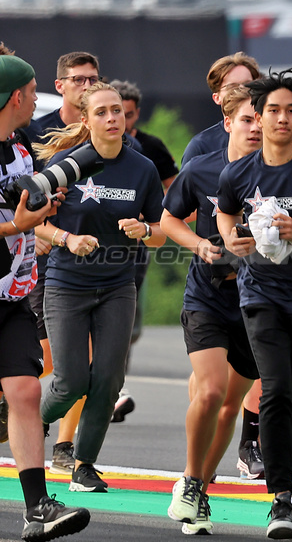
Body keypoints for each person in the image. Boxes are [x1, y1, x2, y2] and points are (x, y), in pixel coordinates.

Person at [216, 69, 292, 540]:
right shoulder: (239, 172)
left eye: (291, 110)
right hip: (261, 296)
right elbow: (226, 211)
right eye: (273, 111)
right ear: (259, 118)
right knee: (276, 388)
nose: (282, 118)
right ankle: (281, 496)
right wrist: (231, 239)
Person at [36, 81, 167, 493]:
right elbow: (34, 221)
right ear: (85, 118)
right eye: (103, 112)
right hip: (66, 284)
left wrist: (145, 228)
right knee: (71, 380)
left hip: (117, 286)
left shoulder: (142, 168)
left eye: (118, 111)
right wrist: (66, 239)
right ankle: (33, 417)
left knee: (108, 380)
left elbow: (163, 232)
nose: (113, 118)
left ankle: (84, 464)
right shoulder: (64, 165)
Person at [159, 85, 262, 535]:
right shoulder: (201, 170)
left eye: (265, 118)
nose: (257, 127)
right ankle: (187, 478)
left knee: (232, 404)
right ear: (228, 123)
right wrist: (200, 243)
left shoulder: (285, 173)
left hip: (259, 301)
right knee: (210, 391)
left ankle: (201, 484)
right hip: (207, 297)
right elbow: (167, 219)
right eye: (247, 119)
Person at [0, 53, 91, 541]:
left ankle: (38, 507)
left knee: (27, 391)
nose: (39, 100)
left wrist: (44, 209)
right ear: (16, 96)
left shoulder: (19, 148)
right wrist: (20, 223)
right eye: (34, 91)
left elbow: (24, 209)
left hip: (12, 295)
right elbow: (14, 220)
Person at [21, 51, 103, 475]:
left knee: (82, 361)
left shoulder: (115, 136)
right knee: (44, 359)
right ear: (61, 85)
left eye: (93, 79)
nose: (87, 87)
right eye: (78, 80)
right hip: (36, 256)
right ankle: (23, 413)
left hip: (89, 266)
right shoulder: (31, 131)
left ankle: (65, 445)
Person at [109, 79, 179, 424]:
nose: (121, 120)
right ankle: (110, 390)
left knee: (129, 327)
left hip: (137, 245)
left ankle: (111, 385)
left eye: (128, 114)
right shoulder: (87, 150)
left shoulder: (149, 148)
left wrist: (154, 214)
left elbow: (178, 191)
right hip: (92, 248)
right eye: (113, 112)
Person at [182, 53, 262, 166]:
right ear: (217, 98)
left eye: (248, 85)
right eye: (232, 87)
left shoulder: (273, 138)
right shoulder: (201, 146)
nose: (242, 91)